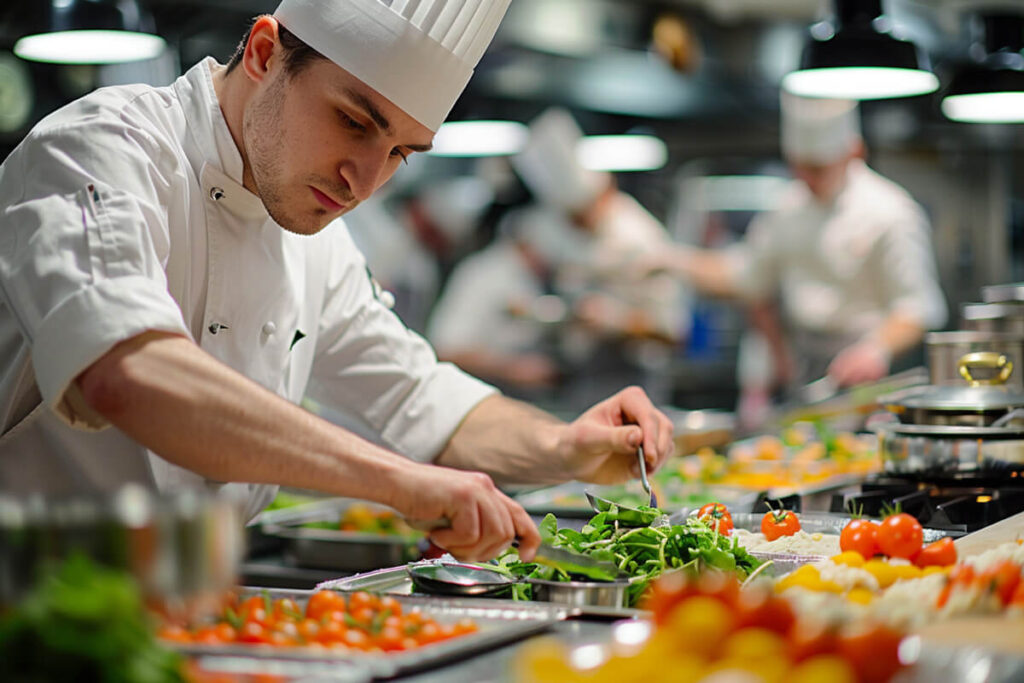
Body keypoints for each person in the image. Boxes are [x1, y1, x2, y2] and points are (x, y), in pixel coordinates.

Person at [0, 0, 676, 563]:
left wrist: (566, 447)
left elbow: (420, 397)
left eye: (399, 153)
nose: (365, 181)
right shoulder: (102, 148)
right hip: (33, 607)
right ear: (265, 54)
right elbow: (129, 372)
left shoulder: (314, 243)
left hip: (192, 606)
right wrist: (400, 483)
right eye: (353, 121)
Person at [642, 93, 947, 418]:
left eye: (817, 168)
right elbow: (745, 276)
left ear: (854, 152)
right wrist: (672, 259)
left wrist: (875, 349)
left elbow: (919, 308)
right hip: (807, 371)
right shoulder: (788, 208)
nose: (806, 178)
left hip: (874, 379)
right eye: (798, 166)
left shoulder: (890, 212)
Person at [509, 108, 690, 410]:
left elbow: (674, 332)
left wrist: (618, 321)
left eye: (578, 216)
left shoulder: (640, 239)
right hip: (582, 386)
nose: (572, 226)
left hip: (635, 387)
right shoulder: (569, 235)